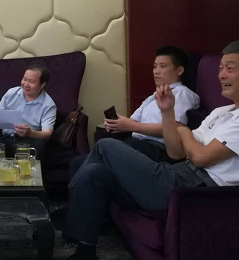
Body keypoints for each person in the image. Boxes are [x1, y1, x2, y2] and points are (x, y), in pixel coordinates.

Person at [51, 39, 239, 260]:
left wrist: (185, 132)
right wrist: (168, 112)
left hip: (196, 191)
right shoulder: (222, 112)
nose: (221, 75)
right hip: (178, 173)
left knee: (106, 146)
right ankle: (85, 257)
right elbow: (176, 152)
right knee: (94, 174)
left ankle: (72, 218)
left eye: (230, 68)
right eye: (221, 68)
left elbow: (201, 157)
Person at [69, 46, 199, 179]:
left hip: (156, 150)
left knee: (94, 158)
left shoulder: (182, 93)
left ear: (179, 70)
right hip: (136, 144)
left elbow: (175, 128)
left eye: (162, 66)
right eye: (155, 67)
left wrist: (130, 126)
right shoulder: (153, 97)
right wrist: (117, 123)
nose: (156, 71)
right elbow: (132, 121)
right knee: (78, 163)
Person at [0, 65, 56, 160]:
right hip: (7, 139)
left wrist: (30, 133)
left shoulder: (48, 105)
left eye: (31, 81)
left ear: (42, 85)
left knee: (39, 145)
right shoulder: (11, 93)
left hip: (28, 142)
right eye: (25, 79)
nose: (26, 84)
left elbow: (47, 134)